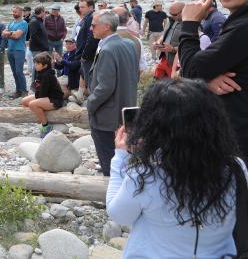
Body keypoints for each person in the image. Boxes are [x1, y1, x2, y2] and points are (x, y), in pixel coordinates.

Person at [106, 78, 248, 258]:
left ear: (153, 126)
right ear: (213, 120)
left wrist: (121, 157)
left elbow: (119, 214)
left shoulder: (145, 174)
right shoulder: (235, 168)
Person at [179, 0, 248, 158]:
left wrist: (189, 24)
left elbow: (191, 69)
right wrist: (205, 82)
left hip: (239, 146)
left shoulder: (242, 27)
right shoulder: (238, 21)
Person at [86, 10, 139, 176]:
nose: (90, 28)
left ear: (107, 26)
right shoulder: (130, 44)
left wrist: (90, 104)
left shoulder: (107, 49)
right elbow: (135, 75)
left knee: (109, 159)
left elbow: (105, 87)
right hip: (127, 110)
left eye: (94, 25)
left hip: (106, 115)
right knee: (125, 157)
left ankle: (109, 198)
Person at [22, 53, 64, 137]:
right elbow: (39, 91)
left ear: (45, 65)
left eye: (38, 64)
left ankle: (46, 125)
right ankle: (41, 116)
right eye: (35, 63)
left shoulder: (47, 75)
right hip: (46, 96)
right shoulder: (41, 72)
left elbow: (42, 93)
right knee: (24, 101)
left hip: (55, 99)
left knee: (32, 104)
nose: (35, 65)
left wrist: (35, 100)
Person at [152, 2, 184, 79]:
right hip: (164, 59)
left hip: (176, 64)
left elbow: (191, 47)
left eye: (174, 14)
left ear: (184, 11)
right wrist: (158, 42)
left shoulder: (190, 25)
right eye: (170, 14)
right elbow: (165, 34)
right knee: (157, 81)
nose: (172, 16)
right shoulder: (172, 20)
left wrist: (172, 49)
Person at [3, 6, 29, 97]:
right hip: (10, 50)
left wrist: (9, 33)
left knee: (19, 71)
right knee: (14, 72)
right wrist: (11, 34)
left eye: (16, 12)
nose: (14, 13)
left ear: (21, 13)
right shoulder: (11, 23)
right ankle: (18, 90)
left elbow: (17, 36)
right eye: (13, 12)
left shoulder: (23, 23)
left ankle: (24, 91)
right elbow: (3, 34)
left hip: (19, 50)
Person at [75, 0, 99, 93]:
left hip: (89, 56)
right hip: (86, 54)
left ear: (91, 7)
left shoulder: (92, 17)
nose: (80, 9)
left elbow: (92, 38)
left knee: (90, 82)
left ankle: (93, 104)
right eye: (79, 7)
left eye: (82, 7)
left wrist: (85, 55)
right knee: (87, 78)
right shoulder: (88, 17)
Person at [27, 6, 50, 89]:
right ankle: (33, 85)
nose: (45, 13)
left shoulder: (39, 20)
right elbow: (34, 36)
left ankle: (39, 83)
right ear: (42, 12)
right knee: (36, 66)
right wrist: (44, 46)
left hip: (41, 48)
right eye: (44, 12)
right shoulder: (34, 21)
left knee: (40, 66)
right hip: (37, 48)